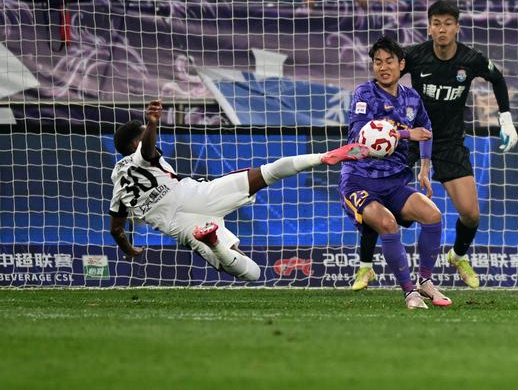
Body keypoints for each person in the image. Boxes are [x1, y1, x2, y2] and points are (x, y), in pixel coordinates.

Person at [352, 1, 518, 291]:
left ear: (457, 27)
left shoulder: (470, 59)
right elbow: (386, 73)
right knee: (376, 196)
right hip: (409, 138)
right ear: (429, 28)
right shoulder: (415, 56)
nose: (442, 29)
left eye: (448, 24)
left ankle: (458, 256)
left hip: (449, 141)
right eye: (436, 24)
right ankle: (365, 266)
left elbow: (497, 77)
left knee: (471, 214)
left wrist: (506, 119)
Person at [109, 100, 367, 281]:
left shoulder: (118, 184)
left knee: (251, 273)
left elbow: (116, 229)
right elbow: (146, 152)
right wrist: (152, 124)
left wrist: (130, 250)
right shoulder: (141, 154)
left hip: (182, 225)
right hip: (196, 195)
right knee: (267, 172)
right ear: (136, 143)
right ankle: (322, 157)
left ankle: (213, 242)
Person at [341, 37, 451, 309]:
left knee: (433, 215)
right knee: (388, 224)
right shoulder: (364, 94)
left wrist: (425, 167)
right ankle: (409, 292)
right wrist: (405, 134)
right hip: (359, 180)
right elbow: (360, 136)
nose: (383, 67)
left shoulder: (411, 97)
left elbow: (426, 129)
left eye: (389, 61)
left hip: (394, 182)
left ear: (401, 65)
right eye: (378, 62)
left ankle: (425, 282)